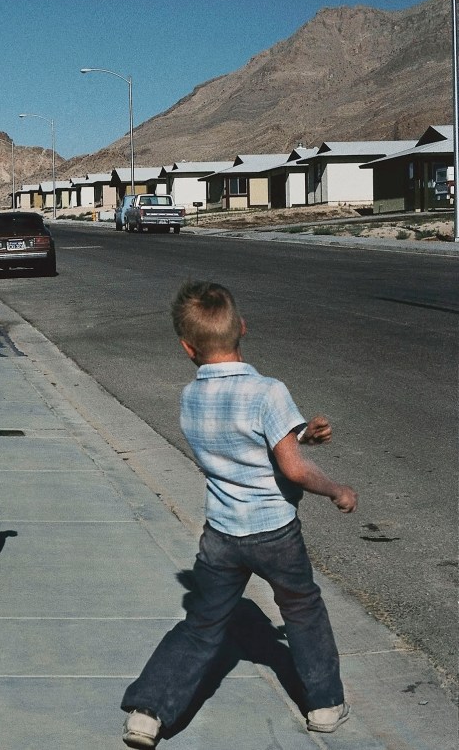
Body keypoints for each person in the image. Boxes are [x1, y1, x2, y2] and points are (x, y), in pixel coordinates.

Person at [119, 281, 358, 749]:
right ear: (242, 328)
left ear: (187, 348)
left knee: (202, 625)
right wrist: (335, 488)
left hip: (222, 536)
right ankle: (325, 705)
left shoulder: (190, 398)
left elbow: (240, 446)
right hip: (275, 532)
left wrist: (300, 434)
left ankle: (148, 713)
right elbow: (288, 465)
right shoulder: (268, 391)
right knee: (302, 610)